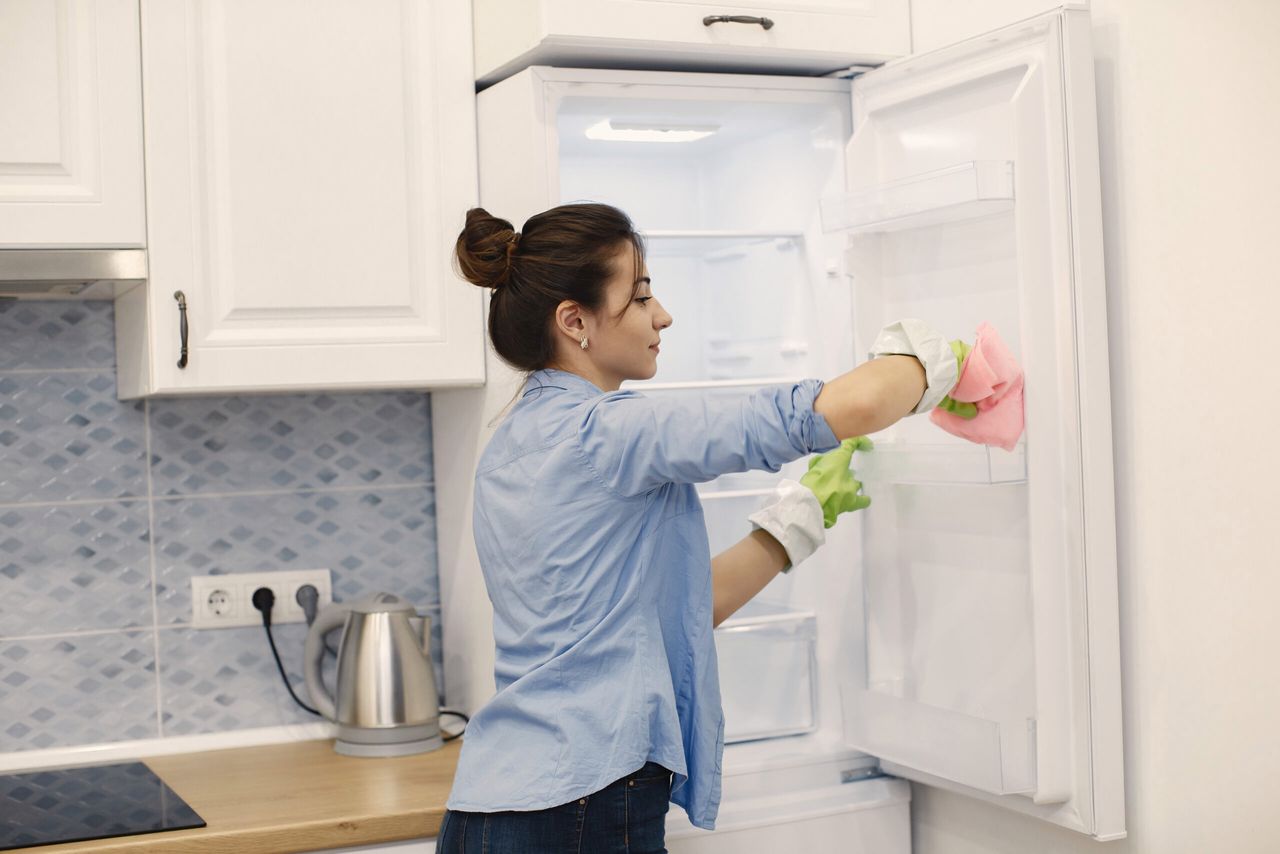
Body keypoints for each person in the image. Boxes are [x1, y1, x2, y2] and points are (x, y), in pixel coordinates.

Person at [438, 203, 959, 853]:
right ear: (575, 321)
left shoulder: (508, 446)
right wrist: (939, 361)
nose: (663, 315)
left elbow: (669, 614)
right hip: (584, 803)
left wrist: (795, 522)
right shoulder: (615, 432)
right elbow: (843, 406)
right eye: (642, 296)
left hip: (485, 810)